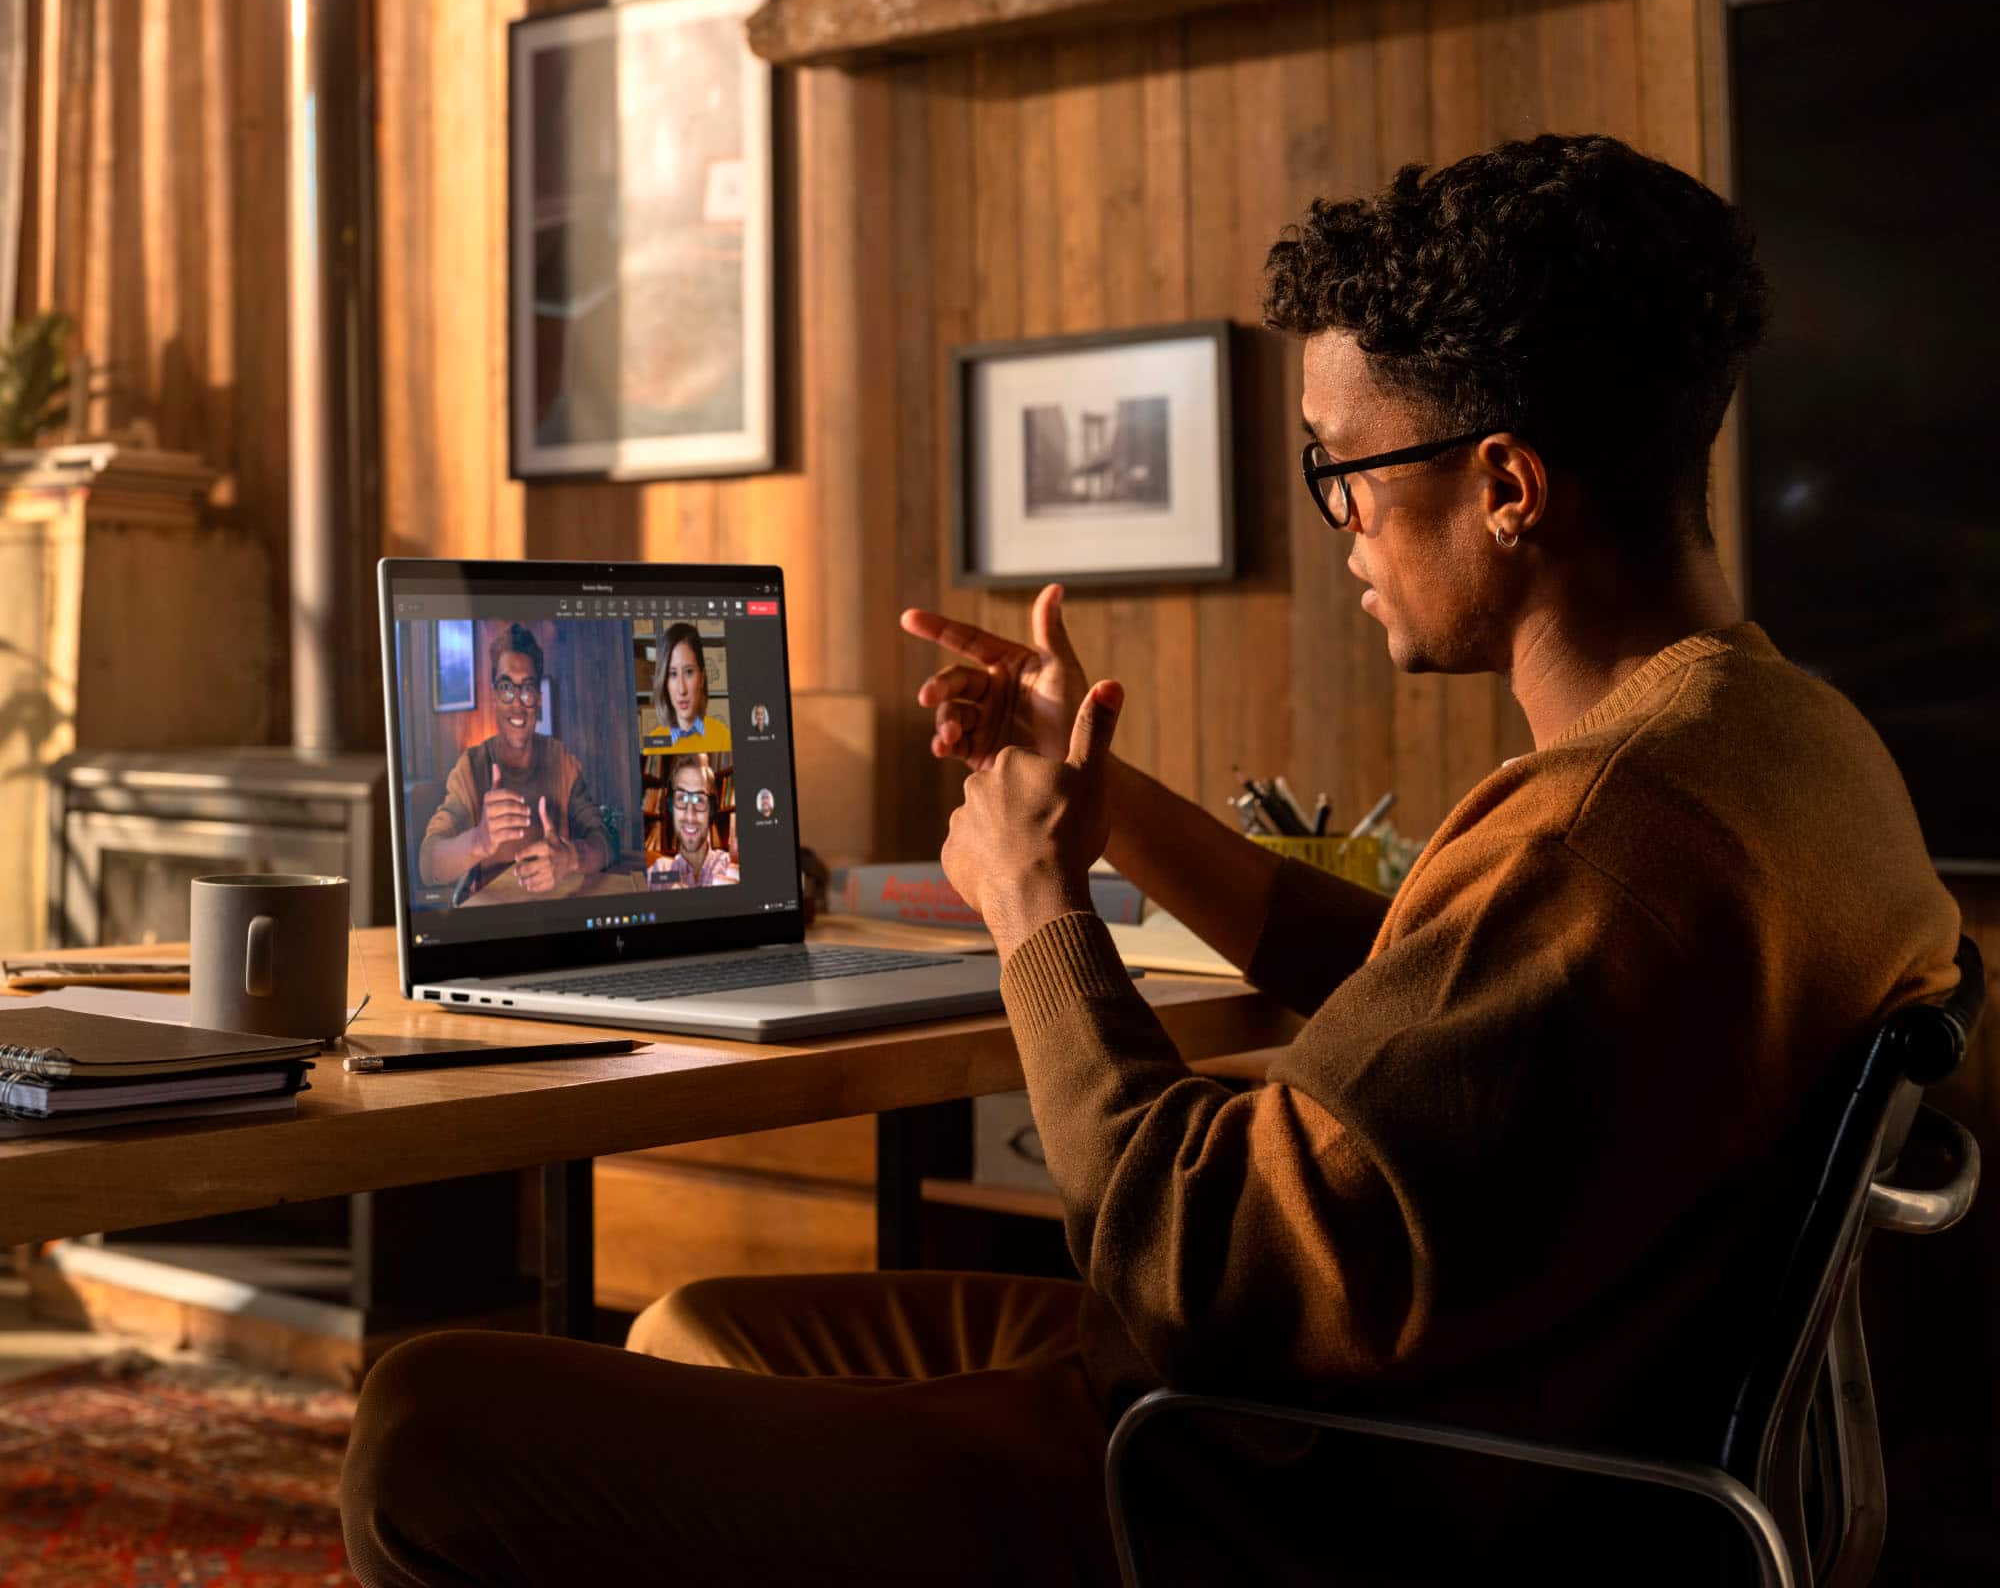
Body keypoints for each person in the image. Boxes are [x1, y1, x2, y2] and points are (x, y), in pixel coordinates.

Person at [345, 136, 1961, 1587]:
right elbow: (1438, 989)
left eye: (1343, 470)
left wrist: (1037, 905)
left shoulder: (1610, 836)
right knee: (695, 1323)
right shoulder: (1768, 744)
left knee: (424, 1425)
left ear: (1506, 486)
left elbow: (1202, 1265)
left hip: (1242, 1489)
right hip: (1384, 1422)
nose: (1340, 524)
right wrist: (1106, 807)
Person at [418, 623, 612, 901]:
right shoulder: (471, 767)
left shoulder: (561, 761)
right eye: (507, 687)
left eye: (528, 689)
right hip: (496, 917)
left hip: (557, 912)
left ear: (539, 699)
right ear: (495, 696)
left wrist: (571, 857)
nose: (517, 704)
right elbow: (428, 863)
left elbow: (604, 841)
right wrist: (479, 840)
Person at [646, 753, 739, 889]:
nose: (690, 816)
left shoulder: (728, 866)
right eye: (681, 798)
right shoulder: (659, 872)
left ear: (711, 810)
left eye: (699, 800)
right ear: (671, 807)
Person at [649, 621, 731, 752]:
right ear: (665, 683)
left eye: (688, 672)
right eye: (673, 674)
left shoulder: (722, 737)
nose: (682, 689)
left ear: (702, 678)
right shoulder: (654, 744)